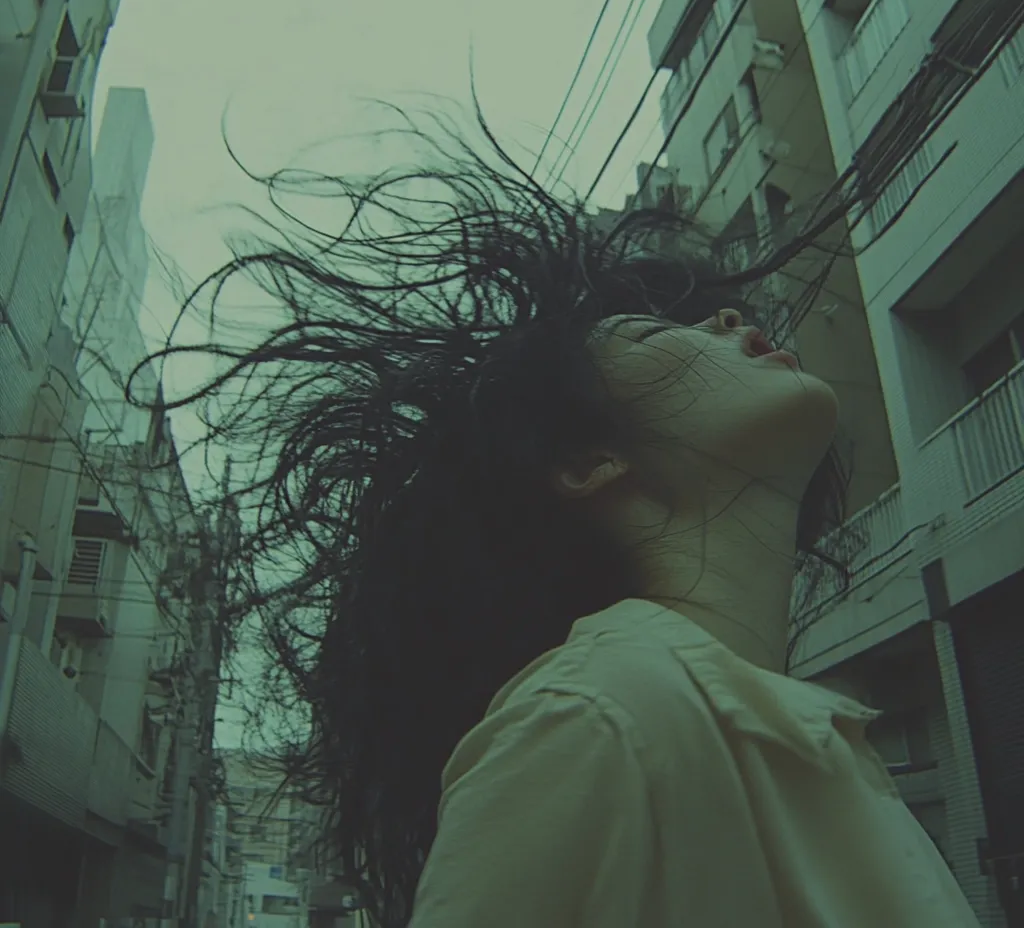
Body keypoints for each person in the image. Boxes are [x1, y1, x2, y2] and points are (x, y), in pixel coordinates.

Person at [146, 106, 981, 927]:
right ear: (587, 463)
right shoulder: (594, 719)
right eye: (658, 332)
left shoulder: (791, 734)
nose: (730, 319)